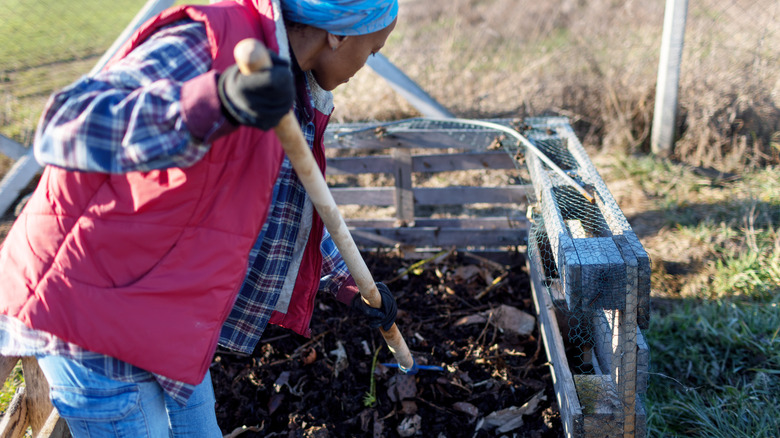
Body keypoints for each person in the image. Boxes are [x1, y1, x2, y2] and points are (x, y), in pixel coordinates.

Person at [0, 0, 399, 436]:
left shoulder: (292, 86)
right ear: (337, 35)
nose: (366, 63)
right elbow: (68, 125)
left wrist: (347, 282)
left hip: (165, 303)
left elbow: (283, 206)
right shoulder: (211, 42)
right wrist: (214, 101)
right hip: (93, 302)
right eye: (372, 50)